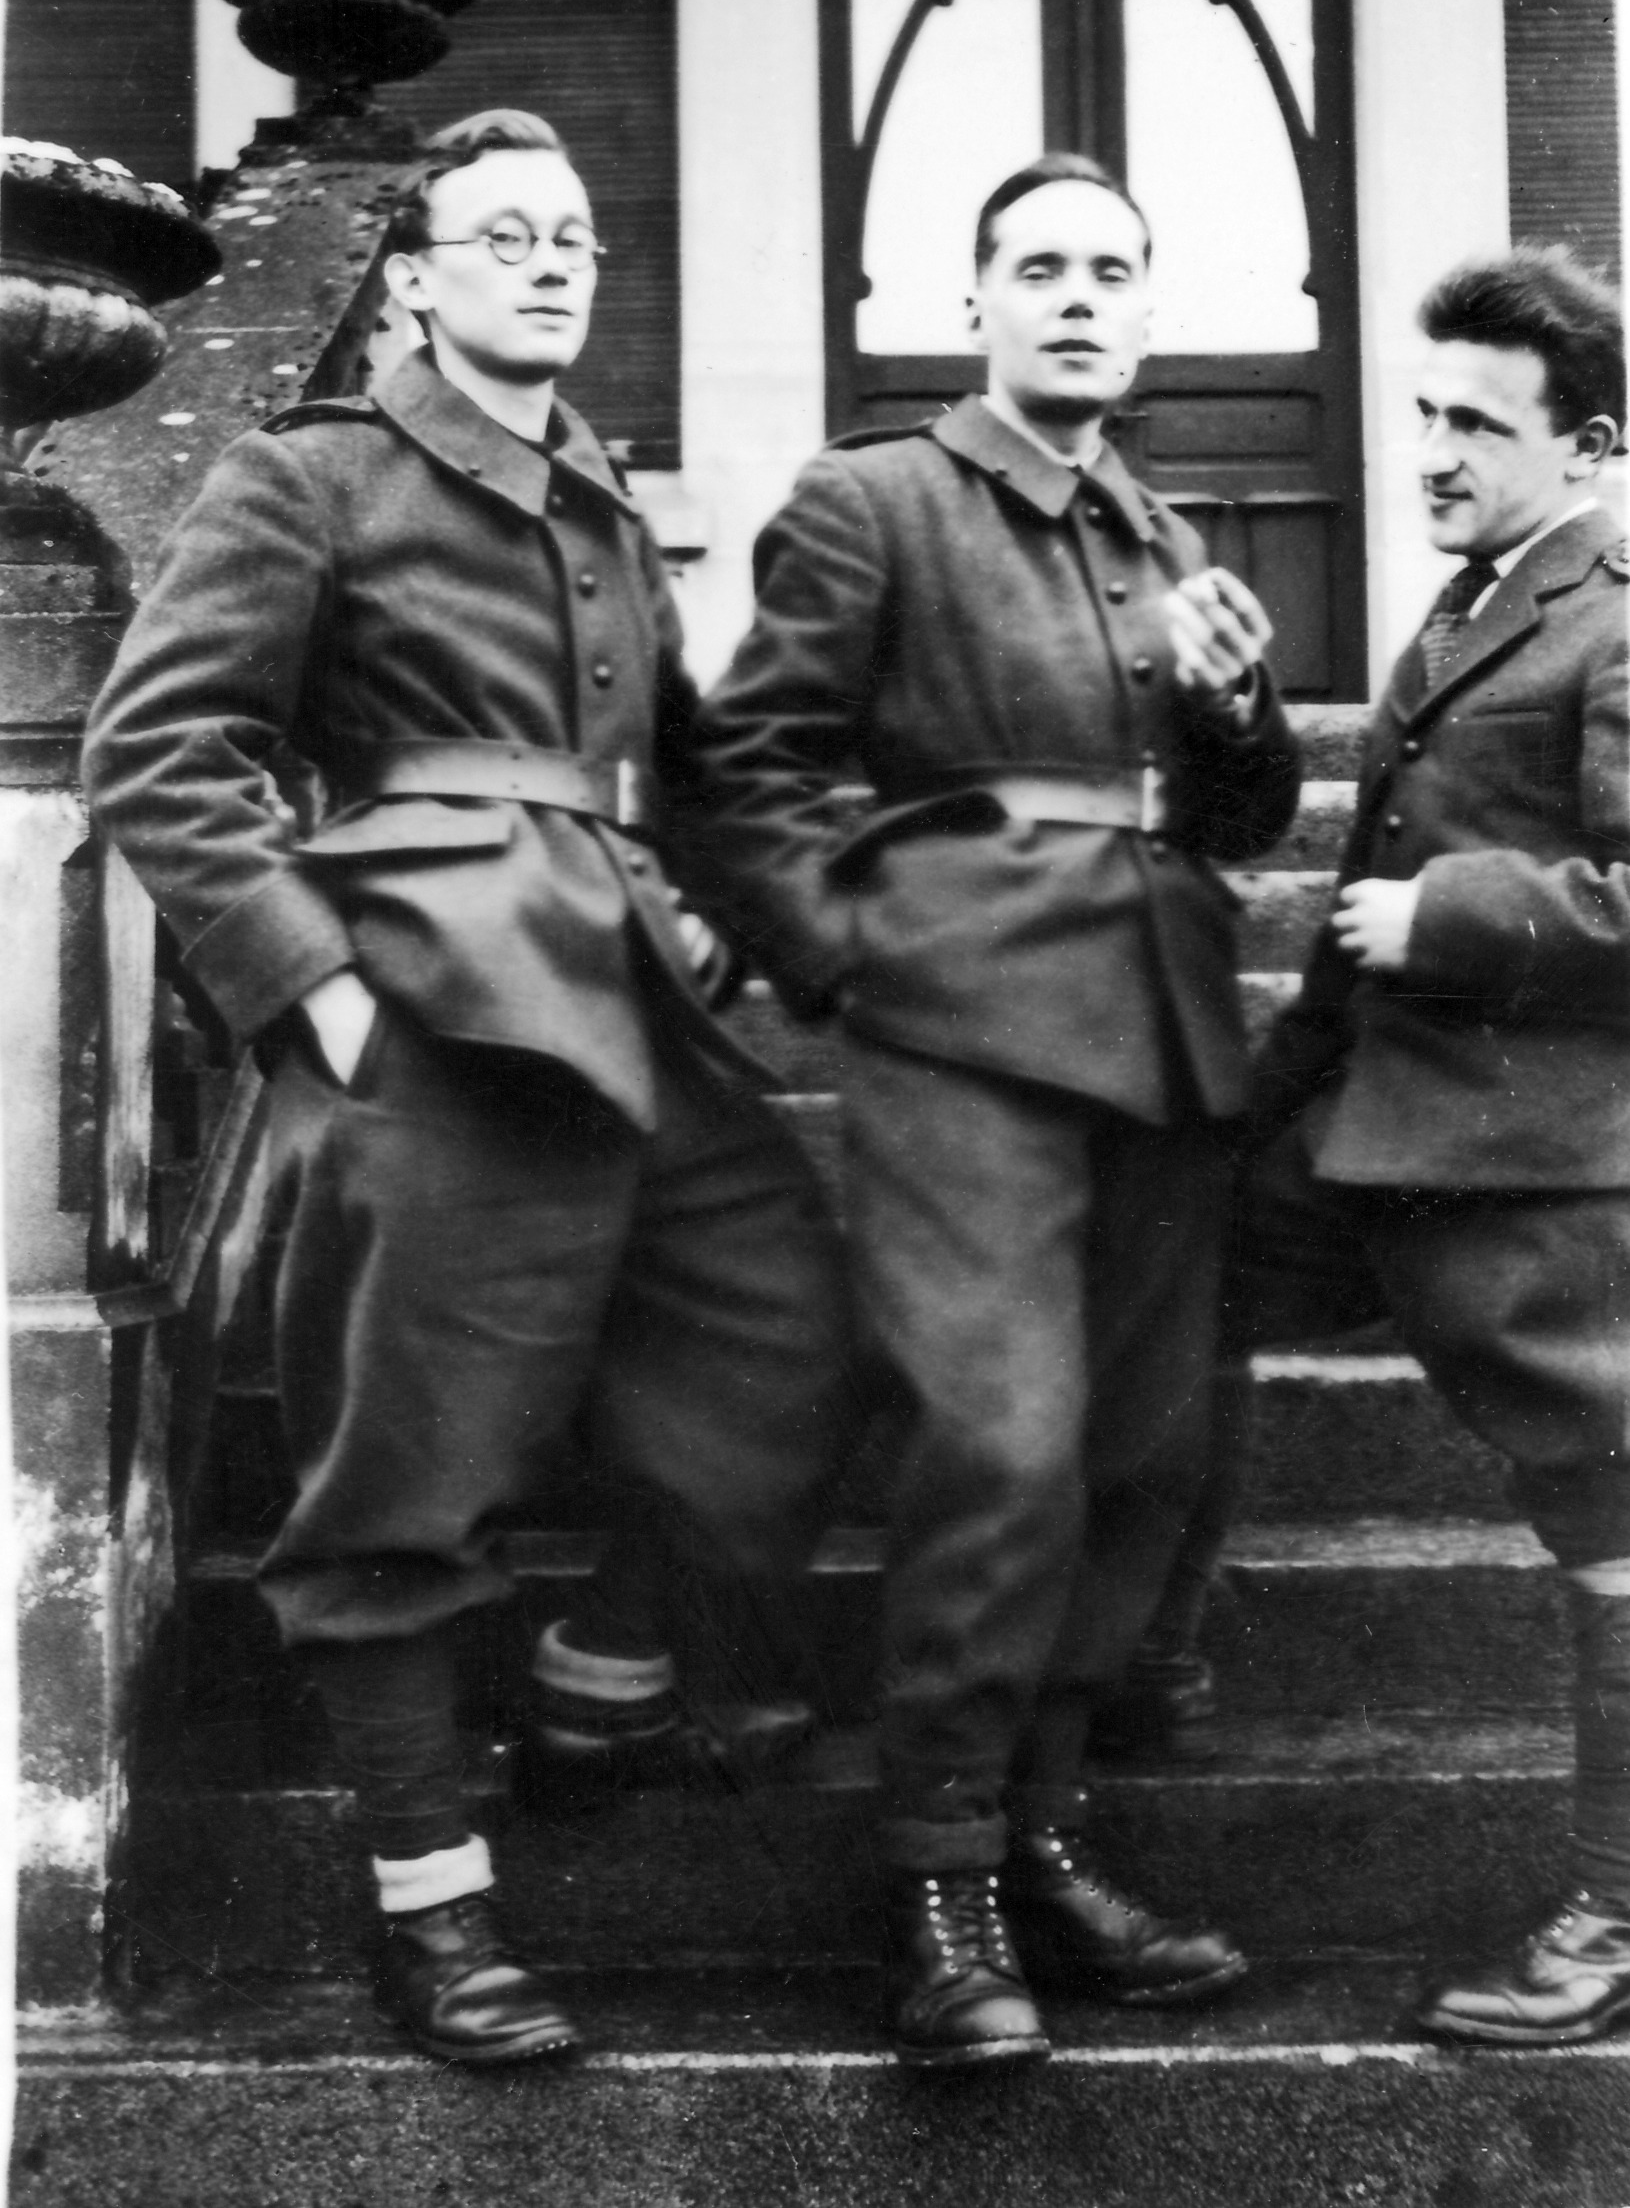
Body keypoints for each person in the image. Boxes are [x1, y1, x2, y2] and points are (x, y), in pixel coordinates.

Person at [81, 109, 854, 2065]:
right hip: (428, 1016)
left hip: (629, 1006)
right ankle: (432, 1905)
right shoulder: (312, 471)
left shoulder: (599, 499)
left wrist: (799, 931)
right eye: (504, 236)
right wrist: (313, 994)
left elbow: (683, 761)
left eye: (573, 237)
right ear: (412, 281)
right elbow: (159, 746)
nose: (552, 261)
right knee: (401, 1481)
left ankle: (604, 1675)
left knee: (780, 1330)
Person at [678, 152, 1302, 2066]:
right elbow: (745, 765)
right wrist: (855, 960)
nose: (1079, 299)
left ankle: (1043, 1840)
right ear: (975, 305)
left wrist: (1239, 712)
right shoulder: (874, 498)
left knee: (1137, 1458)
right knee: (1003, 1445)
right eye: (1039, 269)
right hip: (963, 1025)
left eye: (1113, 270)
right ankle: (938, 1887)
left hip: (1162, 1027)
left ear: (1148, 308)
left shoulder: (1164, 533)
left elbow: (1236, 819)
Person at [1237, 245, 1630, 2045]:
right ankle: (1139, 1676)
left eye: (1477, 422)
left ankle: (1614, 1916)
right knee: (1153, 1289)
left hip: (1533, 1168)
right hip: (1376, 1128)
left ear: (1590, 444)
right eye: (1423, 413)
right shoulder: (1471, 609)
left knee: (1611, 1533)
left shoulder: (1612, 616)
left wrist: (1457, 914)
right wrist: (1254, 1098)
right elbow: (1346, 909)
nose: (1430, 451)